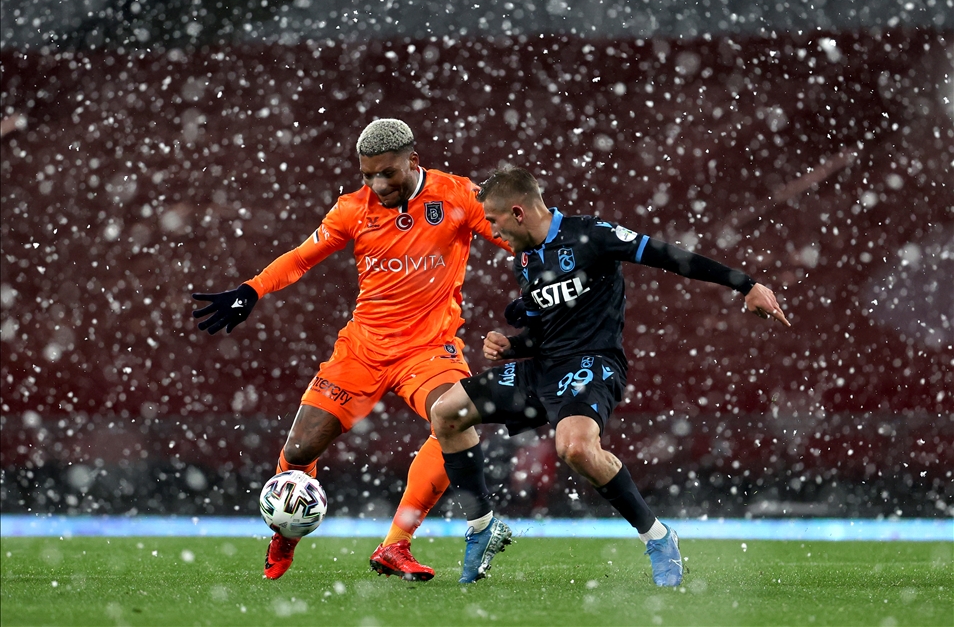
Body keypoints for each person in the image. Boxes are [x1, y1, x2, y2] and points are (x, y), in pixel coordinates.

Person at [430, 166, 791, 585]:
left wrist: (745, 284)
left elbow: (668, 256)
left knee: (576, 449)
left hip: (591, 364)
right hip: (542, 369)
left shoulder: (592, 235)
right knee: (446, 413)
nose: (492, 231)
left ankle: (658, 537)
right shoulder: (524, 261)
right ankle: (482, 527)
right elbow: (546, 334)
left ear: (518, 212)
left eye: (493, 221)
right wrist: (512, 347)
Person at [192, 119, 509, 581]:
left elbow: (515, 234)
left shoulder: (457, 195)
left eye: (387, 173)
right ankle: (286, 534)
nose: (377, 185)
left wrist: (558, 263)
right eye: (367, 175)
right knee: (301, 448)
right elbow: (301, 257)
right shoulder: (352, 210)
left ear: (413, 161)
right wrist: (251, 289)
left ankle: (395, 545)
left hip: (428, 349)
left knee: (455, 419)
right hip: (362, 349)